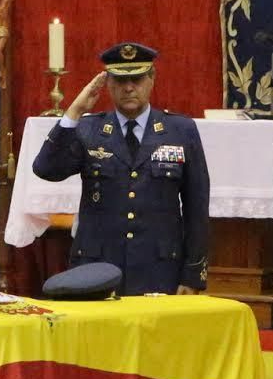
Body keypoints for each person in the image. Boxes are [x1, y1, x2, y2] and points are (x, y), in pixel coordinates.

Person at [33, 42, 210, 295]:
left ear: (152, 79)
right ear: (108, 84)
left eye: (137, 79)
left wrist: (192, 275)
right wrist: (74, 112)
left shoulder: (180, 131)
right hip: (97, 270)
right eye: (120, 80)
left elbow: (197, 208)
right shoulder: (88, 130)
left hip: (159, 270)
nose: (129, 88)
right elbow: (45, 169)